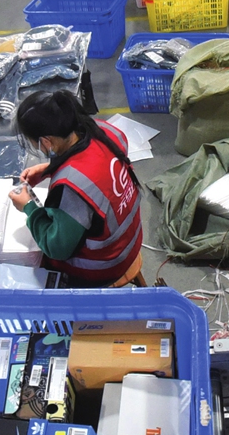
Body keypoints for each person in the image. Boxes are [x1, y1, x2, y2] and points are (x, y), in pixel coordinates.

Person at [10, 90, 145, 287]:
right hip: (131, 239)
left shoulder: (72, 190)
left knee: (32, 263)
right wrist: (49, 169)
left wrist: (29, 208)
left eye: (36, 144)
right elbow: (97, 168)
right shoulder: (104, 131)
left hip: (106, 265)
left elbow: (57, 248)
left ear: (46, 141)